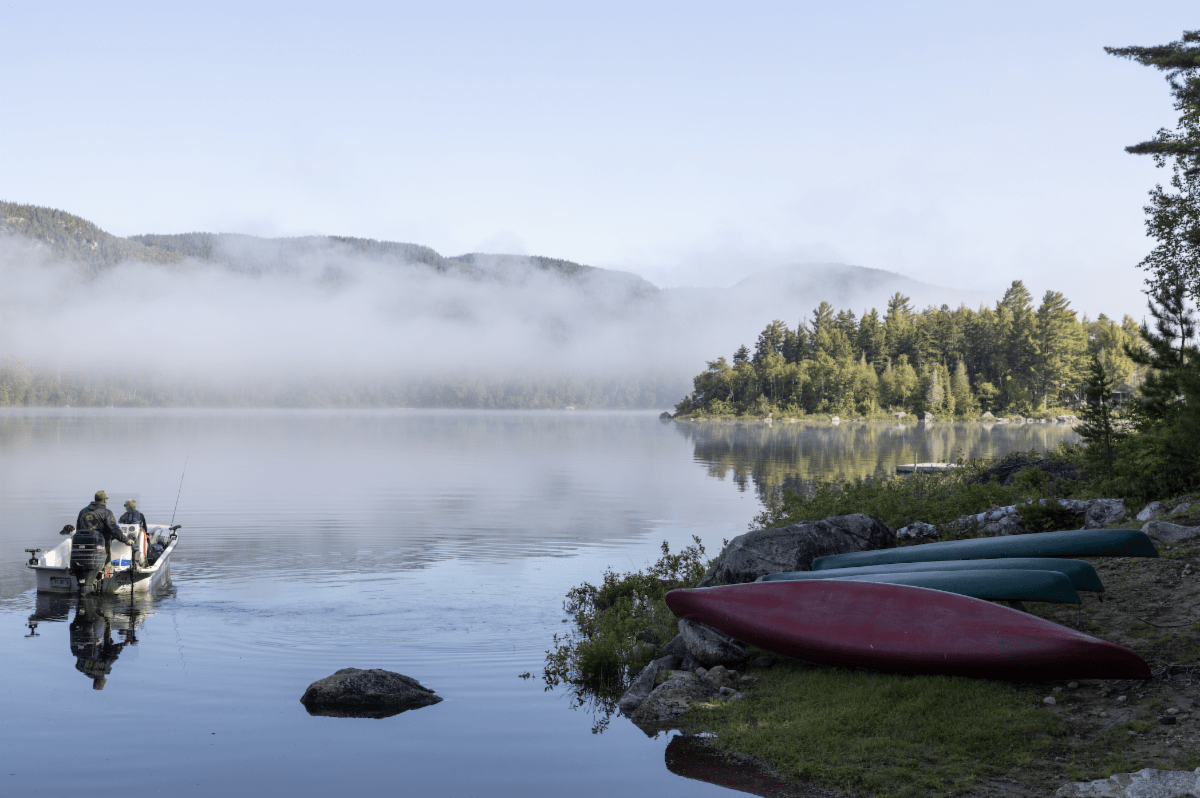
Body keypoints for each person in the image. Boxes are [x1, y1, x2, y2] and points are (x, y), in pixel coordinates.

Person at [76, 490, 132, 570]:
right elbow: (114, 529)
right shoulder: (106, 513)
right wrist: (126, 540)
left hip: (84, 546)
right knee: (106, 567)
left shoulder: (83, 511)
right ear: (105, 500)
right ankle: (105, 576)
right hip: (101, 546)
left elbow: (78, 529)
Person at [119, 499, 149, 566]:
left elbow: (119, 527)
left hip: (127, 539)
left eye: (125, 505)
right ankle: (143, 561)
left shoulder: (123, 516)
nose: (125, 507)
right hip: (139, 537)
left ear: (128, 506)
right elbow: (145, 529)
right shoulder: (141, 515)